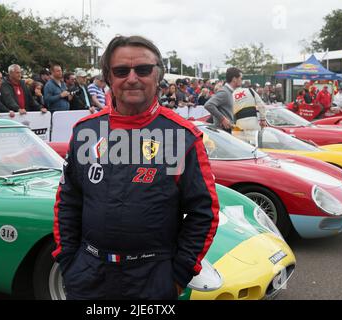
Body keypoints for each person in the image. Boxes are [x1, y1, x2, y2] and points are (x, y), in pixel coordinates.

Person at [53, 35, 219, 300]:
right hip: (88, 275)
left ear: (157, 75)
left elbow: (204, 212)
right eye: (121, 71)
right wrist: (68, 261)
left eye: (142, 69)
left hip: (153, 279)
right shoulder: (87, 131)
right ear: (109, 77)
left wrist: (178, 274)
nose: (132, 78)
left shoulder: (182, 136)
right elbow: (68, 201)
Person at [205, 67, 242, 133]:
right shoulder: (224, 92)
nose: (241, 80)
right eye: (240, 78)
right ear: (234, 79)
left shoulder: (229, 92)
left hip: (226, 131)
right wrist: (223, 119)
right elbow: (208, 105)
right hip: (222, 132)